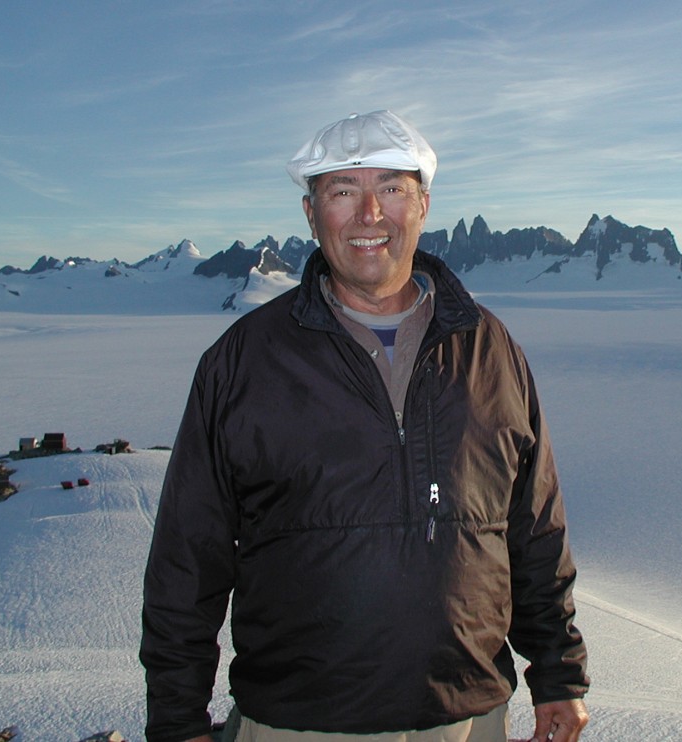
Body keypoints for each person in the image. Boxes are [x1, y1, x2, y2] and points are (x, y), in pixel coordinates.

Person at [140, 110, 590, 742]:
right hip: (298, 724)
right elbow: (188, 558)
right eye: (343, 191)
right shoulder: (242, 362)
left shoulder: (490, 349)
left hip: (468, 720)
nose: (370, 215)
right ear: (310, 212)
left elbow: (534, 526)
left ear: (424, 204)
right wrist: (177, 717)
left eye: (392, 189)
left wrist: (558, 673)